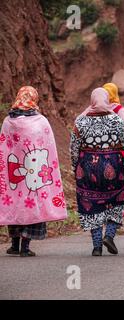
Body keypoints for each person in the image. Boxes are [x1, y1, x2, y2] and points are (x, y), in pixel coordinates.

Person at [0, 86, 67, 256]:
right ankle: (25, 247)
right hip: (35, 175)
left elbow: (4, 148)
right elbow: (47, 147)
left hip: (14, 174)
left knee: (15, 204)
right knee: (32, 205)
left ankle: (14, 245)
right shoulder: (40, 121)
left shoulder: (9, 121)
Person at [70, 88, 124, 256]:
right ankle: (109, 236)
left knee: (91, 204)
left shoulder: (81, 121)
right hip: (113, 165)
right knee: (117, 200)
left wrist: (76, 167)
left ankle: (97, 245)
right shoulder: (116, 119)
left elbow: (74, 148)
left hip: (88, 167)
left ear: (92, 100)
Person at [103, 83, 124, 231]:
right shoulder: (118, 109)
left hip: (98, 155)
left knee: (103, 188)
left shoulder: (96, 109)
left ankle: (103, 220)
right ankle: (115, 223)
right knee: (120, 187)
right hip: (117, 154)